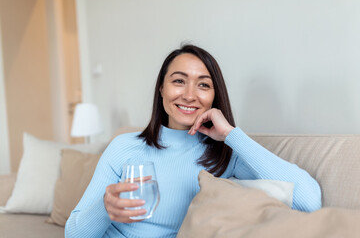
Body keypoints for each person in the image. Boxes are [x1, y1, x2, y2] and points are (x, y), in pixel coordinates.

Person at [65, 45, 321, 238]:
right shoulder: (124, 146)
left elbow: (309, 202)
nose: (189, 95)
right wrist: (104, 208)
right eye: (178, 81)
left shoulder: (224, 155)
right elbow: (73, 233)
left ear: (214, 96)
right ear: (161, 89)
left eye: (203, 85)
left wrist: (232, 135)